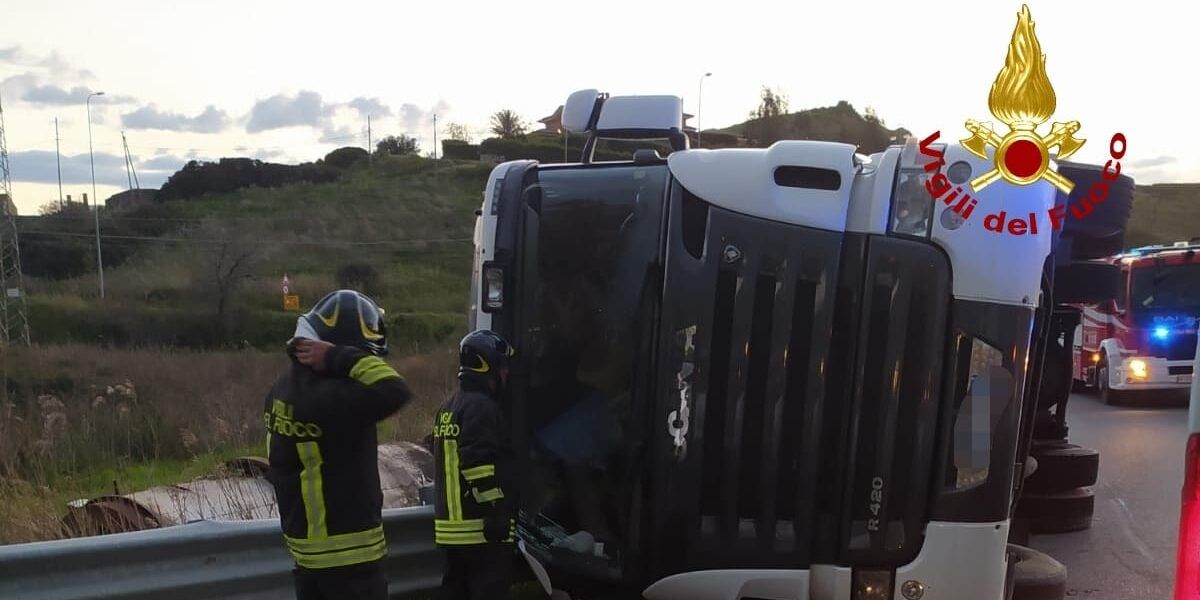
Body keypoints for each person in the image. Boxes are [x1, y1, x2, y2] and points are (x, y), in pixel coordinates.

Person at [265, 290, 412, 600]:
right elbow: (396, 389)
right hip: (350, 556)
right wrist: (339, 357)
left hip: (307, 553)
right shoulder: (334, 398)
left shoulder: (282, 388)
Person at [434, 330, 517, 600]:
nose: (506, 374)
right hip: (480, 532)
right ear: (490, 366)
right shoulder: (482, 407)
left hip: (453, 531)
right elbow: (476, 463)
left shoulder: (448, 407)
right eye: (503, 366)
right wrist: (496, 510)